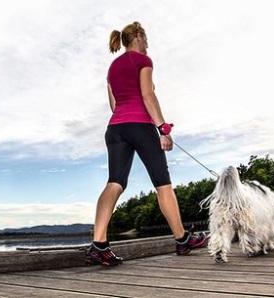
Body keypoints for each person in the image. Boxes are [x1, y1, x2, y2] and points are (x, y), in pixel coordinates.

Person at [86, 21, 208, 266]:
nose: (148, 42)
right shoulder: (143, 60)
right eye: (146, 37)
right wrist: (163, 128)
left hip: (115, 129)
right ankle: (182, 239)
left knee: (115, 183)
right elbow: (147, 95)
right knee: (163, 184)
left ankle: (98, 245)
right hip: (140, 126)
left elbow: (114, 105)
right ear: (139, 36)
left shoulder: (112, 67)